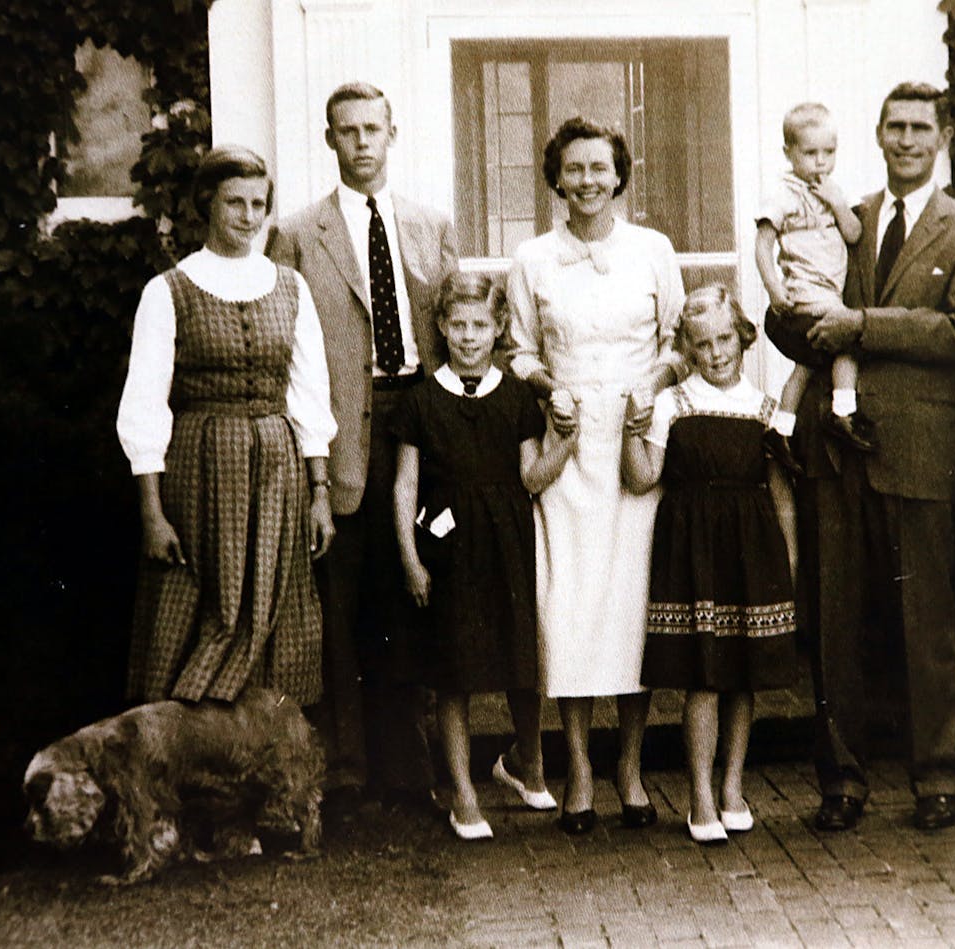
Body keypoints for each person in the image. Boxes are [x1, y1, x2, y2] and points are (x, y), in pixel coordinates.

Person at [769, 82, 955, 833]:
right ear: (877, 133)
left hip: (920, 449)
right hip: (838, 451)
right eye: (893, 126)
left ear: (942, 138)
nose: (905, 139)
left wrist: (859, 323)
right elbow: (799, 316)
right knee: (835, 623)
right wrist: (792, 312)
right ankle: (842, 780)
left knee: (927, 620)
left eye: (919, 128)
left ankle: (936, 776)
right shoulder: (845, 219)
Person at [268, 82, 456, 813]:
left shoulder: (429, 224)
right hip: (343, 429)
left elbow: (451, 329)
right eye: (348, 131)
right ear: (330, 140)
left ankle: (411, 769)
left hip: (416, 417)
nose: (362, 142)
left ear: (393, 132)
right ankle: (346, 768)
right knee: (342, 603)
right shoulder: (297, 233)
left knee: (414, 592)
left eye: (373, 128)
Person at [506, 116, 687, 835]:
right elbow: (517, 349)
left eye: (600, 168)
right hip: (570, 439)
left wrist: (654, 385)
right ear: (556, 177)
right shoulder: (532, 258)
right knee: (572, 606)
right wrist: (547, 384)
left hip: (637, 439)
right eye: (574, 169)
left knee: (630, 604)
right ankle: (578, 765)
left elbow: (678, 342)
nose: (587, 181)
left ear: (620, 175)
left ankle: (631, 765)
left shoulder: (653, 250)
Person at [118, 145, 337, 707]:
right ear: (207, 206)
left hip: (276, 472)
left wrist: (319, 491)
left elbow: (310, 394)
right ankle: (184, 751)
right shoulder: (168, 290)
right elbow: (144, 405)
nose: (248, 215)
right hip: (199, 468)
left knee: (274, 602)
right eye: (234, 202)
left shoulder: (290, 286)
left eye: (258, 204)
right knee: (199, 601)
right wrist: (152, 511)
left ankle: (261, 761)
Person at [392, 272, 578, 840]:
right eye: (458, 325)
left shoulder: (516, 396)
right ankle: (463, 792)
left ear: (498, 329)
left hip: (507, 545)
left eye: (480, 326)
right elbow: (405, 486)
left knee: (522, 662)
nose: (468, 337)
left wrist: (566, 443)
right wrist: (411, 560)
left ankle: (531, 767)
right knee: (456, 670)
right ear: (443, 328)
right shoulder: (421, 400)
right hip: (449, 551)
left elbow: (530, 475)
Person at [621, 285, 802, 845]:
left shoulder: (763, 407)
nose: (717, 352)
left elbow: (779, 493)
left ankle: (732, 786)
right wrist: (632, 426)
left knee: (742, 677)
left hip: (751, 555)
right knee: (704, 676)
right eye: (702, 344)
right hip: (694, 552)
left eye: (725, 338)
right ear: (688, 349)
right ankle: (699, 794)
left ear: (744, 336)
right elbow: (643, 476)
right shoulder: (675, 404)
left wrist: (789, 560)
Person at [757, 102, 867, 454]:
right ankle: (844, 414)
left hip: (828, 294)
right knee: (848, 343)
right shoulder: (782, 193)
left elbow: (854, 233)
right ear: (789, 153)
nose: (821, 161)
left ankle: (781, 428)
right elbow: (762, 247)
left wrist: (837, 202)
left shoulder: (833, 191)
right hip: (805, 293)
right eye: (810, 153)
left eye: (828, 152)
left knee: (804, 365)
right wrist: (774, 289)